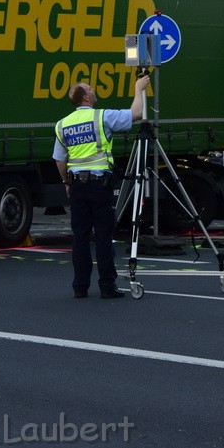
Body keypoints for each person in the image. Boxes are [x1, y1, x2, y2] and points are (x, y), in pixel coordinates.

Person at [53, 73, 151, 299]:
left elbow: (60, 160)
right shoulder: (101, 117)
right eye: (90, 89)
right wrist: (138, 89)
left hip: (77, 186)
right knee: (104, 236)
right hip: (99, 185)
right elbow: (136, 114)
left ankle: (80, 287)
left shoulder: (63, 125)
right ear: (86, 97)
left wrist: (66, 182)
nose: (94, 91)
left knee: (80, 237)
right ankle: (107, 286)